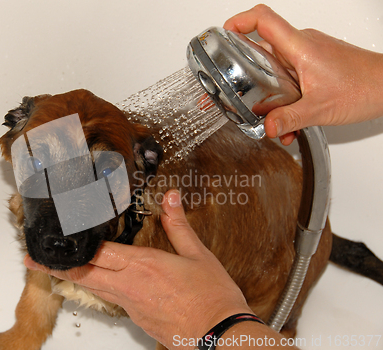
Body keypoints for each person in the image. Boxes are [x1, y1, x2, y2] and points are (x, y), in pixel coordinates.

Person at [24, 4, 383, 350]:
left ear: (144, 165)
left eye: (104, 171)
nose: (62, 225)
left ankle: (278, 326)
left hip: (265, 279)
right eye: (40, 166)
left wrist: (214, 324)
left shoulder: (157, 210)